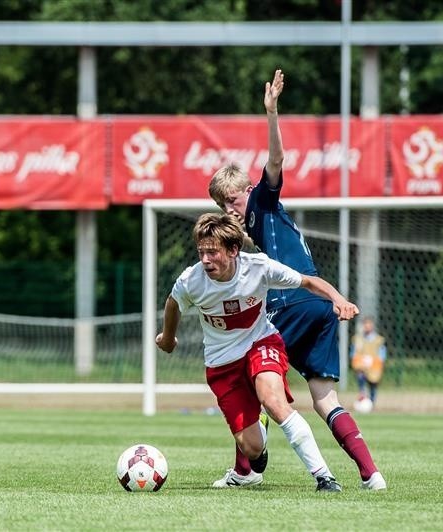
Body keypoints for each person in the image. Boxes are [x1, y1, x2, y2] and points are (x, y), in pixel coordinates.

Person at [208, 68, 386, 490]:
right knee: (325, 399)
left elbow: (275, 161)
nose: (231, 211)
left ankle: (245, 472)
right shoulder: (261, 224)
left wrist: (271, 113)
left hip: (291, 303)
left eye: (230, 201)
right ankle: (371, 474)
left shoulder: (261, 202)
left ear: (244, 192)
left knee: (249, 371)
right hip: (319, 307)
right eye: (224, 205)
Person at [155, 212, 357, 492]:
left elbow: (309, 282)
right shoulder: (191, 281)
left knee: (274, 402)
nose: (205, 260)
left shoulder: (259, 267)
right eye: (201, 252)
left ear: (234, 250)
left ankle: (324, 477)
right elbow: (173, 304)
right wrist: (168, 336)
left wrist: (339, 299)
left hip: (261, 344)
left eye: (212, 253)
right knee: (251, 449)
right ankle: (256, 439)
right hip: (222, 364)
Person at [350, 316, 387, 411]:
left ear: (373, 326)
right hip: (362, 367)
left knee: (373, 385)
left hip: (374, 367)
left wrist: (374, 363)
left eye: (369, 324)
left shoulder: (379, 340)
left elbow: (381, 356)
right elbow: (353, 355)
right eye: (365, 324)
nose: (367, 326)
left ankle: (372, 403)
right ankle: (362, 394)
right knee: (361, 377)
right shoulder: (358, 339)